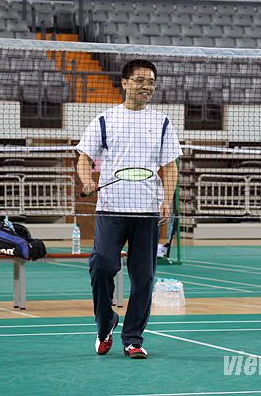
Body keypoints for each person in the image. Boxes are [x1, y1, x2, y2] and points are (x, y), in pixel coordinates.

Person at [76, 59, 181, 359]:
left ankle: (133, 339)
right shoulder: (104, 120)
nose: (147, 86)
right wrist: (87, 181)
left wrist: (166, 200)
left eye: (151, 82)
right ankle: (105, 321)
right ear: (124, 83)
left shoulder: (162, 122)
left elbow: (170, 167)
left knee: (144, 278)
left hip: (146, 212)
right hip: (111, 210)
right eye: (140, 80)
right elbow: (84, 158)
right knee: (101, 266)